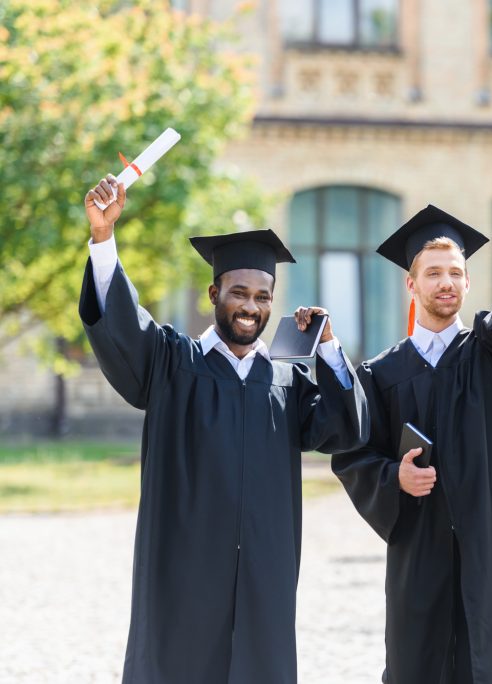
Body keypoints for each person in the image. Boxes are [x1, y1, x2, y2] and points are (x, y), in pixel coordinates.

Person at [80, 174, 368, 684]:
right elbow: (124, 329)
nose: (250, 307)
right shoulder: (173, 363)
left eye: (262, 296)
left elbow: (345, 427)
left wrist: (327, 347)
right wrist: (104, 240)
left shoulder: (286, 378)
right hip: (184, 571)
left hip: (264, 573)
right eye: (239, 293)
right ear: (214, 292)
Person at [331, 138, 492, 683]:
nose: (447, 282)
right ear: (411, 284)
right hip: (419, 553)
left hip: (491, 540)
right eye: (434, 273)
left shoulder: (491, 353)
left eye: (456, 272)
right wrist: (394, 477)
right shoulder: (382, 373)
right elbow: (351, 454)